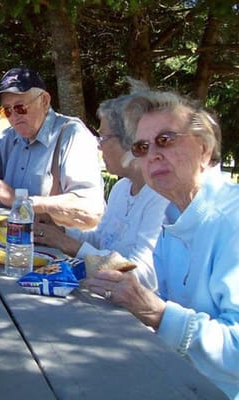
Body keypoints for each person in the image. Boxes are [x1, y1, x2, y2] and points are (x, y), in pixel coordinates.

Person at [85, 88, 239, 399]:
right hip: (175, 377)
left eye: (166, 140)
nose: (153, 155)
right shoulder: (173, 213)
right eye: (142, 147)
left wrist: (157, 313)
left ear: (204, 149)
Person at [34, 90, 169, 290]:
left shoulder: (161, 199)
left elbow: (144, 275)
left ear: (132, 141)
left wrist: (68, 244)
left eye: (104, 137)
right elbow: (101, 240)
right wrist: (59, 230)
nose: (99, 146)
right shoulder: (122, 188)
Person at [0, 67, 105, 229]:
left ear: (45, 101)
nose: (14, 116)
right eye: (7, 111)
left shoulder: (73, 135)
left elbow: (90, 208)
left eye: (20, 107)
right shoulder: (11, 137)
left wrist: (19, 200)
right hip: (12, 239)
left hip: (59, 249)